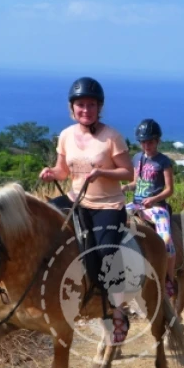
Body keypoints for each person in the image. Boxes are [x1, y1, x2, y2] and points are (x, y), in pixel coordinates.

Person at [38, 77, 134, 344]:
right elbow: (62, 170)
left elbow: (128, 172)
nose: (86, 109)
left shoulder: (112, 136)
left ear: (99, 107)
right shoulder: (66, 135)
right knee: (42, 225)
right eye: (81, 104)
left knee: (106, 254)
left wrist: (102, 172)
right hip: (75, 199)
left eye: (91, 104)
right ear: (72, 107)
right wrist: (50, 173)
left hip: (107, 205)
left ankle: (118, 311)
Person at [122, 119, 177, 297]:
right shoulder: (137, 158)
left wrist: (153, 199)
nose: (147, 145)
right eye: (144, 142)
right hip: (137, 204)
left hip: (156, 207)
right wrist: (124, 188)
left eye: (151, 141)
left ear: (157, 141)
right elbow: (136, 182)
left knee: (166, 239)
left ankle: (169, 278)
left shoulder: (164, 161)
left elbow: (170, 189)